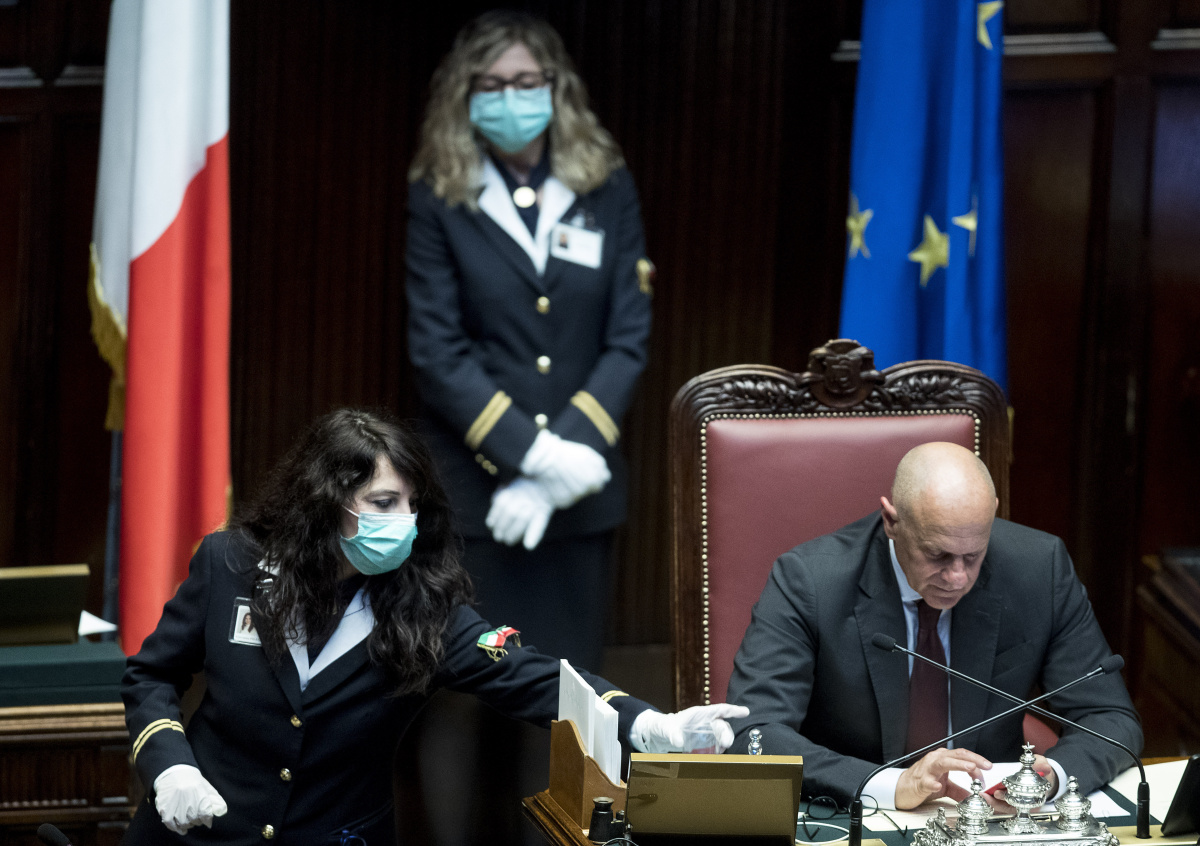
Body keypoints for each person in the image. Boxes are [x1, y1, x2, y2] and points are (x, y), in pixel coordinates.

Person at [120, 409, 744, 845]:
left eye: (412, 504)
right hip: (197, 834)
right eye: (384, 503)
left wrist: (649, 725)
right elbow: (150, 675)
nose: (405, 521)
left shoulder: (427, 609)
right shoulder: (230, 564)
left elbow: (537, 681)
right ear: (326, 502)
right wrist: (169, 767)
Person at [405, 9, 652, 670]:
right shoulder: (439, 195)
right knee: (466, 684)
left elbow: (628, 338)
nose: (509, 98)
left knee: (568, 693)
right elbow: (437, 351)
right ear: (465, 95)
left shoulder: (605, 185)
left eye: (524, 81)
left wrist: (557, 471)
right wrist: (532, 455)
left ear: (554, 86)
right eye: (489, 85)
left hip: (580, 494)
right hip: (475, 496)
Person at [726, 442, 1142, 810]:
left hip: (991, 818)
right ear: (891, 522)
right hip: (859, 813)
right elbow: (753, 734)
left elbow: (1109, 716)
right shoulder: (810, 581)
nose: (957, 577)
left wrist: (1048, 780)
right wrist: (891, 785)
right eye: (937, 555)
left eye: (973, 556)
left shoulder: (1039, 569)